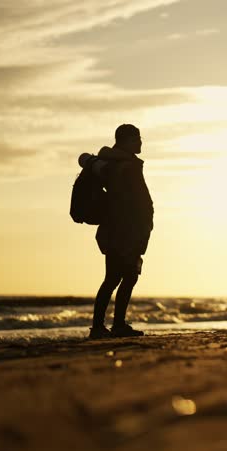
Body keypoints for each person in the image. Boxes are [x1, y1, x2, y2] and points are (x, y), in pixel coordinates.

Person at [85, 124, 154, 339]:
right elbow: (129, 201)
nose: (141, 142)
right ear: (125, 141)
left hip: (117, 230)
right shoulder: (125, 166)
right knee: (122, 277)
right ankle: (107, 326)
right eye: (137, 139)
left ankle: (107, 326)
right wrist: (140, 227)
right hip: (124, 231)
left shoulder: (114, 163)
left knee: (117, 277)